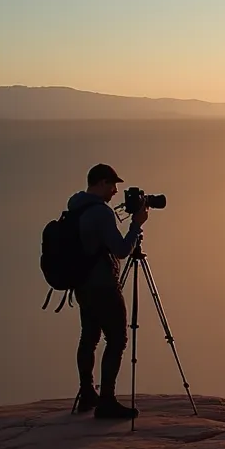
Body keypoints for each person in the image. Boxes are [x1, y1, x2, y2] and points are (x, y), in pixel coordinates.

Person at [67, 163, 148, 419]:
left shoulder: (76, 206)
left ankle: (87, 392)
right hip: (103, 286)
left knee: (88, 338)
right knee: (117, 339)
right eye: (112, 185)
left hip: (82, 285)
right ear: (101, 183)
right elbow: (122, 251)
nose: (115, 191)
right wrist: (136, 224)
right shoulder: (100, 213)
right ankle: (107, 401)